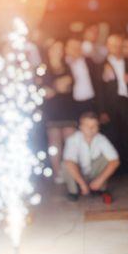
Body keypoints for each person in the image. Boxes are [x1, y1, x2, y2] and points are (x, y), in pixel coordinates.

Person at [99, 34, 128, 173]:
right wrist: (102, 110)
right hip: (111, 104)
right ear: (108, 47)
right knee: (114, 135)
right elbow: (100, 90)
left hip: (127, 102)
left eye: (118, 44)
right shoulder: (102, 65)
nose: (115, 47)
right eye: (112, 45)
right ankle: (116, 169)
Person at [63, 112, 120, 203]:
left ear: (98, 127)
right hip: (78, 174)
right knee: (66, 163)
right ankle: (73, 191)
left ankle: (100, 188)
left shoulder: (102, 139)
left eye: (94, 126)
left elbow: (115, 161)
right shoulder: (73, 139)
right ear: (81, 127)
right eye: (87, 126)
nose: (90, 129)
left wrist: (100, 180)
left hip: (94, 173)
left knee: (107, 159)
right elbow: (69, 163)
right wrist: (82, 184)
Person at [41, 40, 77, 183]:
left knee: (71, 142)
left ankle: (71, 171)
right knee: (55, 143)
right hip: (52, 109)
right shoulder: (44, 68)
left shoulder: (67, 66)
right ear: (49, 50)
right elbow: (45, 91)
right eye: (56, 48)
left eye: (61, 48)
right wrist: (56, 86)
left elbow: (69, 87)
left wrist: (58, 87)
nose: (59, 51)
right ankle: (58, 173)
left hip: (67, 107)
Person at [65, 37, 101, 119]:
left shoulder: (90, 62)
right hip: (72, 105)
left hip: (92, 102)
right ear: (66, 49)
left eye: (77, 47)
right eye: (72, 47)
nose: (75, 50)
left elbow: (99, 83)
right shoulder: (64, 65)